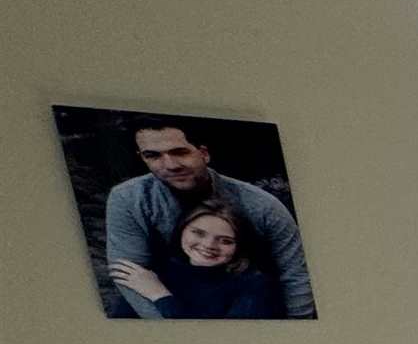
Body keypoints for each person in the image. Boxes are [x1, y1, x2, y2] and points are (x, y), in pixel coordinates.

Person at [100, 119, 314, 318]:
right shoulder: (129, 198)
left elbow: (295, 276)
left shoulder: (262, 206)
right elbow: (130, 275)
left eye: (180, 152)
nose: (170, 165)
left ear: (204, 153)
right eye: (153, 156)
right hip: (162, 308)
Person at [106, 200, 276, 319]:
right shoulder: (155, 274)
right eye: (198, 233)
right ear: (182, 229)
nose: (209, 245)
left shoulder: (254, 285)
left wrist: (160, 295)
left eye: (226, 241)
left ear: (240, 246)